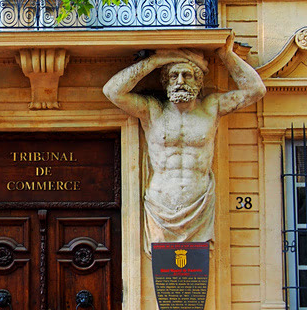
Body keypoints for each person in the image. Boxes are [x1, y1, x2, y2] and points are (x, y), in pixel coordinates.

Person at [103, 35, 265, 252]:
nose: (180, 81)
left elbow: (256, 90)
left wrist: (226, 55)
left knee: (193, 269)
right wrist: (156, 61)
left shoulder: (211, 107)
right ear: (166, 81)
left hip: (199, 204)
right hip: (160, 205)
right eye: (173, 76)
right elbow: (112, 91)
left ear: (198, 82)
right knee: (166, 268)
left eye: (187, 75)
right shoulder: (152, 110)